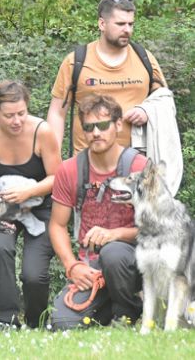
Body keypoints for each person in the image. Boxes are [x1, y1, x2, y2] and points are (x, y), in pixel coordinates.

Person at [49, 94, 146, 330]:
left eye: (103, 125)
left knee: (113, 252)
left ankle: (126, 314)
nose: (95, 133)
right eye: (88, 127)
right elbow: (57, 225)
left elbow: (157, 229)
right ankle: (107, 307)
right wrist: (73, 266)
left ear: (118, 125)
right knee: (63, 323)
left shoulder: (140, 167)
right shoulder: (69, 170)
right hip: (93, 268)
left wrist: (115, 234)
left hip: (137, 262)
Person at [0, 81, 61, 328]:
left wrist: (28, 192)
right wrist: (2, 200)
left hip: (40, 205)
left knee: (33, 275)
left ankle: (36, 322)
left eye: (22, 113)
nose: (17, 121)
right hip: (3, 206)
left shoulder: (42, 131)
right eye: (9, 115)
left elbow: (57, 178)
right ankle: (6, 321)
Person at [47, 0, 166, 155]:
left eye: (130, 24)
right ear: (102, 24)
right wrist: (53, 159)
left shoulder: (145, 59)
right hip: (86, 162)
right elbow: (57, 114)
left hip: (136, 162)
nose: (127, 30)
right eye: (120, 24)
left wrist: (147, 111)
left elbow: (165, 103)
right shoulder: (76, 61)